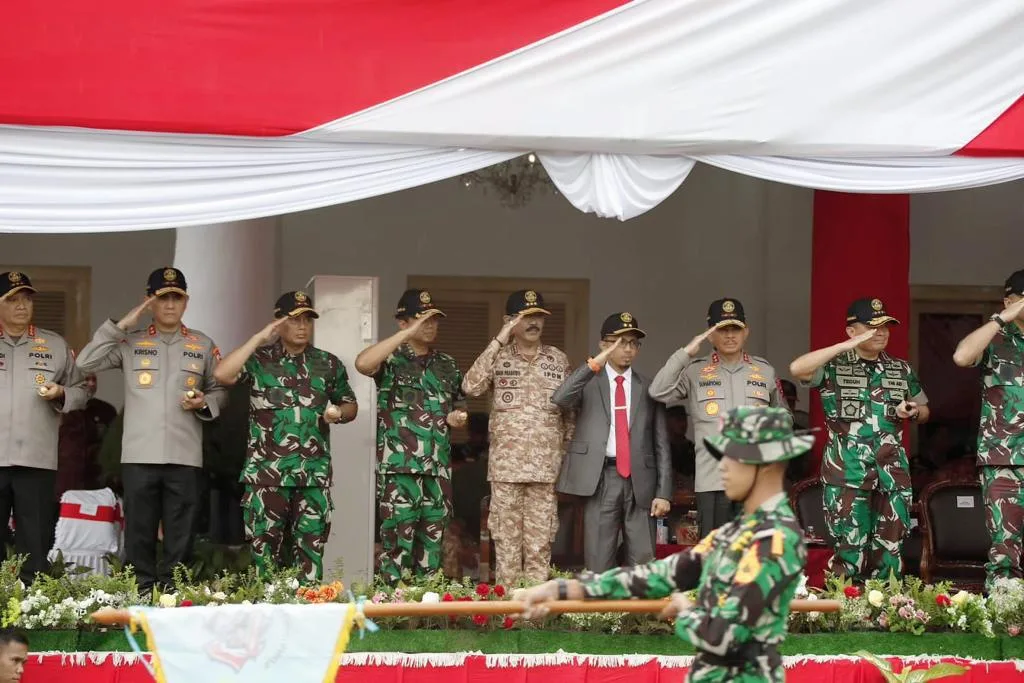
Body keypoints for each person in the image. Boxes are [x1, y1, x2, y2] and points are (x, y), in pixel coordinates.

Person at [516, 406, 810, 683]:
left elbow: (726, 634)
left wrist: (685, 611)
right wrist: (564, 590)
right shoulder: (736, 532)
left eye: (733, 457)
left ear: (768, 465)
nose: (722, 467)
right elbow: (662, 576)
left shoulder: (776, 539)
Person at [76, 267, 226, 592]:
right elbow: (85, 363)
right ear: (150, 302)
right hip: (139, 454)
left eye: (177, 297)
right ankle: (141, 592)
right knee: (139, 531)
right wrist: (122, 325)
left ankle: (174, 595)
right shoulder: (130, 341)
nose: (170, 305)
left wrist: (204, 403)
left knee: (181, 532)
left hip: (184, 455)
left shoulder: (202, 344)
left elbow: (219, 388)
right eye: (162, 298)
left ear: (186, 302)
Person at [213, 290, 358, 583]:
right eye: (294, 320)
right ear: (279, 323)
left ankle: (310, 611)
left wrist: (338, 413)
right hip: (266, 476)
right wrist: (258, 337)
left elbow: (350, 404)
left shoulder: (327, 364)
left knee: (311, 550)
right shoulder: (259, 360)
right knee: (264, 553)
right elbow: (223, 375)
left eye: (308, 319)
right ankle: (267, 614)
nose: (303, 326)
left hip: (312, 476)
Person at [790, 297, 929, 582]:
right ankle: (846, 610)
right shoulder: (833, 366)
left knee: (891, 549)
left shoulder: (899, 369)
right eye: (872, 326)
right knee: (848, 549)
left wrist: (914, 412)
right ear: (852, 330)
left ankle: (886, 610)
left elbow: (924, 409)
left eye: (886, 326)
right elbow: (797, 369)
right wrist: (844, 347)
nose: (882, 332)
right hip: (848, 472)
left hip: (892, 474)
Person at [462, 290, 575, 584]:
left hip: (544, 471)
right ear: (509, 321)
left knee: (540, 547)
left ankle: (535, 618)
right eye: (525, 316)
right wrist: (500, 338)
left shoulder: (558, 360)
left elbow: (570, 415)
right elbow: (471, 386)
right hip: (506, 470)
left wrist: (561, 454)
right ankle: (508, 616)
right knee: (507, 548)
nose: (533, 322)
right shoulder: (498, 356)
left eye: (538, 316)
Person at [354, 289, 467, 583]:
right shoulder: (391, 359)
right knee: (396, 547)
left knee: (432, 548)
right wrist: (405, 335)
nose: (430, 326)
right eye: (422, 319)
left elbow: (458, 406)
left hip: (437, 470)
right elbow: (363, 364)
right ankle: (392, 614)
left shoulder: (447, 364)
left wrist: (456, 419)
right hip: (399, 470)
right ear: (403, 322)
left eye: (434, 320)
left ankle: (425, 616)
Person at [649, 298, 788, 537]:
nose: (730, 335)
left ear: (746, 332)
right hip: (713, 482)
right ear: (710, 335)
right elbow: (657, 391)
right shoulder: (694, 371)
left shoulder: (764, 371)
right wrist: (684, 354)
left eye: (736, 329)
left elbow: (784, 415)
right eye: (722, 330)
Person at [552, 312, 671, 572]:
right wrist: (596, 362)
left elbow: (661, 444)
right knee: (597, 559)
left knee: (643, 561)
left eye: (633, 343)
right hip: (600, 478)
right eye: (620, 342)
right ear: (604, 344)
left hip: (641, 481)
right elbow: (560, 398)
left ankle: (641, 614)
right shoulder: (588, 381)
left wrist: (663, 492)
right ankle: (599, 614)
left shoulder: (649, 388)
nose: (627, 349)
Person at [0, 271, 91, 583]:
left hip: (36, 459)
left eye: (26, 298)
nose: (22, 305)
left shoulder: (53, 344)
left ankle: (32, 612)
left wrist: (62, 393)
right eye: (12, 299)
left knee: (35, 545)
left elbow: (82, 390)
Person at [952, 268, 1024, 587]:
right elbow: (962, 356)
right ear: (1009, 300)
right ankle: (1006, 620)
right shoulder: (995, 339)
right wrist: (1002, 318)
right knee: (1005, 550)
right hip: (1004, 461)